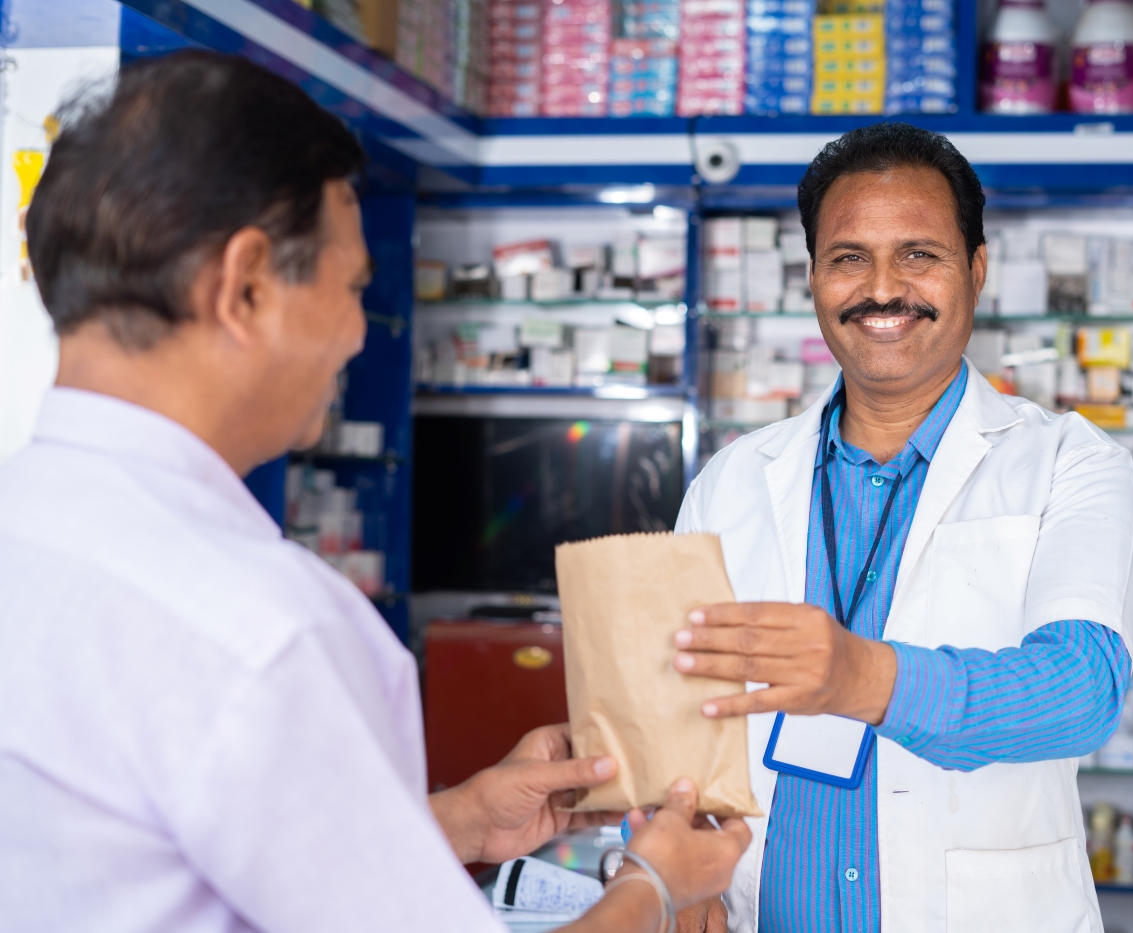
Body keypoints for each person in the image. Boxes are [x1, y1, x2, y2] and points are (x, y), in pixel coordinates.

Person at [0, 50, 749, 932]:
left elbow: (163, 852)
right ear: (244, 286)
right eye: (353, 285)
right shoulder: (265, 629)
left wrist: (460, 817)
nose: (359, 332)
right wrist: (655, 885)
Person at [670, 123, 1133, 933]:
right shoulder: (734, 479)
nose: (882, 288)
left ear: (977, 268)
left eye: (919, 253)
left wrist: (861, 677)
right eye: (848, 256)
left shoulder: (1070, 461)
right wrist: (685, 886)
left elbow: (1082, 689)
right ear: (814, 276)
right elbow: (675, 711)